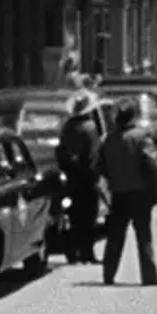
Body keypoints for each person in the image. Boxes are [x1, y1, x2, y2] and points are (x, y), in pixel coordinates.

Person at [93, 98, 157, 286]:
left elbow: (99, 167)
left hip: (118, 194)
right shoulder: (141, 137)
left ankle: (108, 275)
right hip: (140, 193)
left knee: (115, 237)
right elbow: (151, 164)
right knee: (144, 236)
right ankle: (149, 276)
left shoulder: (108, 139)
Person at [57, 94, 103, 263]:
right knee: (89, 217)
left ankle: (73, 252)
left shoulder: (67, 127)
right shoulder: (90, 127)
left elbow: (62, 151)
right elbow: (93, 155)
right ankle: (87, 253)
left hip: (71, 177)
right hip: (87, 179)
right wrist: (95, 176)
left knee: (75, 217)